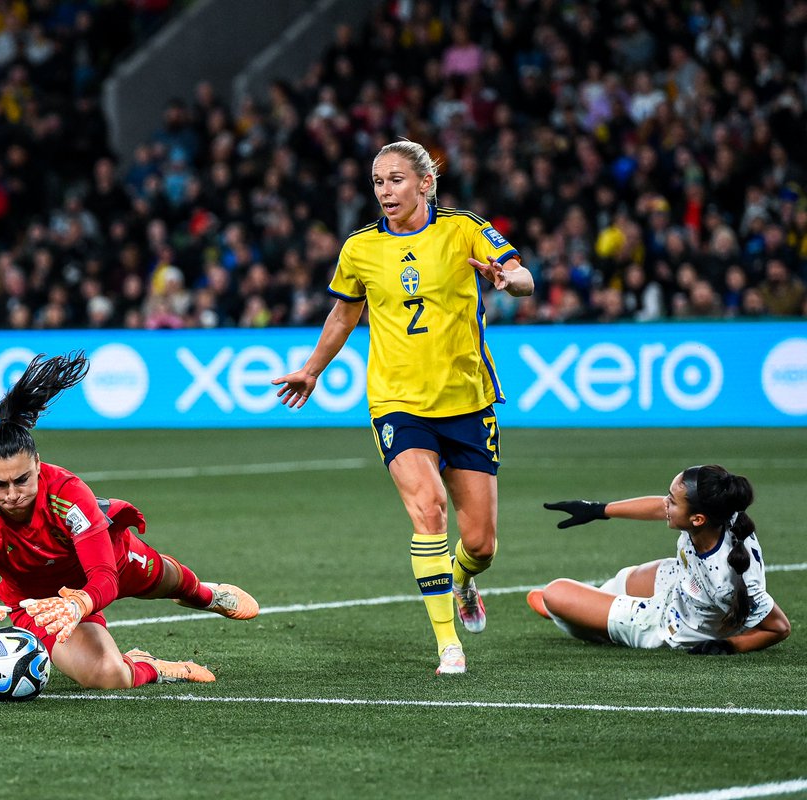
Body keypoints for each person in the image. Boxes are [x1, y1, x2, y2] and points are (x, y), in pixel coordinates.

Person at [272, 139, 534, 675]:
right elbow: (344, 315)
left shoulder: (463, 228)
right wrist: (312, 369)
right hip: (397, 402)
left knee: (481, 544)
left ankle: (463, 579)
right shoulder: (360, 248)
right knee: (428, 508)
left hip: (467, 401)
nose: (385, 191)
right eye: (378, 182)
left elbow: (522, 275)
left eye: (395, 179)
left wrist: (509, 281)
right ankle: (448, 644)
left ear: (425, 183)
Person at [0, 352, 260, 688]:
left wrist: (78, 604)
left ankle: (206, 595)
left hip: (110, 562)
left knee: (170, 580)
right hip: (40, 605)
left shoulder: (67, 494)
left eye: (22, 479)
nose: (12, 494)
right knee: (108, 675)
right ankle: (150, 666)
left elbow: (104, 577)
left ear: (38, 464)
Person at [530, 465, 791, 654]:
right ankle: (584, 608)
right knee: (629, 577)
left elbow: (779, 627)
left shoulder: (724, 581)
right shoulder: (722, 513)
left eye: (672, 501)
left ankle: (571, 616)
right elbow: (660, 507)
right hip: (682, 584)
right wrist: (597, 510)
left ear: (697, 519)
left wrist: (729, 645)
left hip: (670, 625)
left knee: (555, 592)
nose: (665, 503)